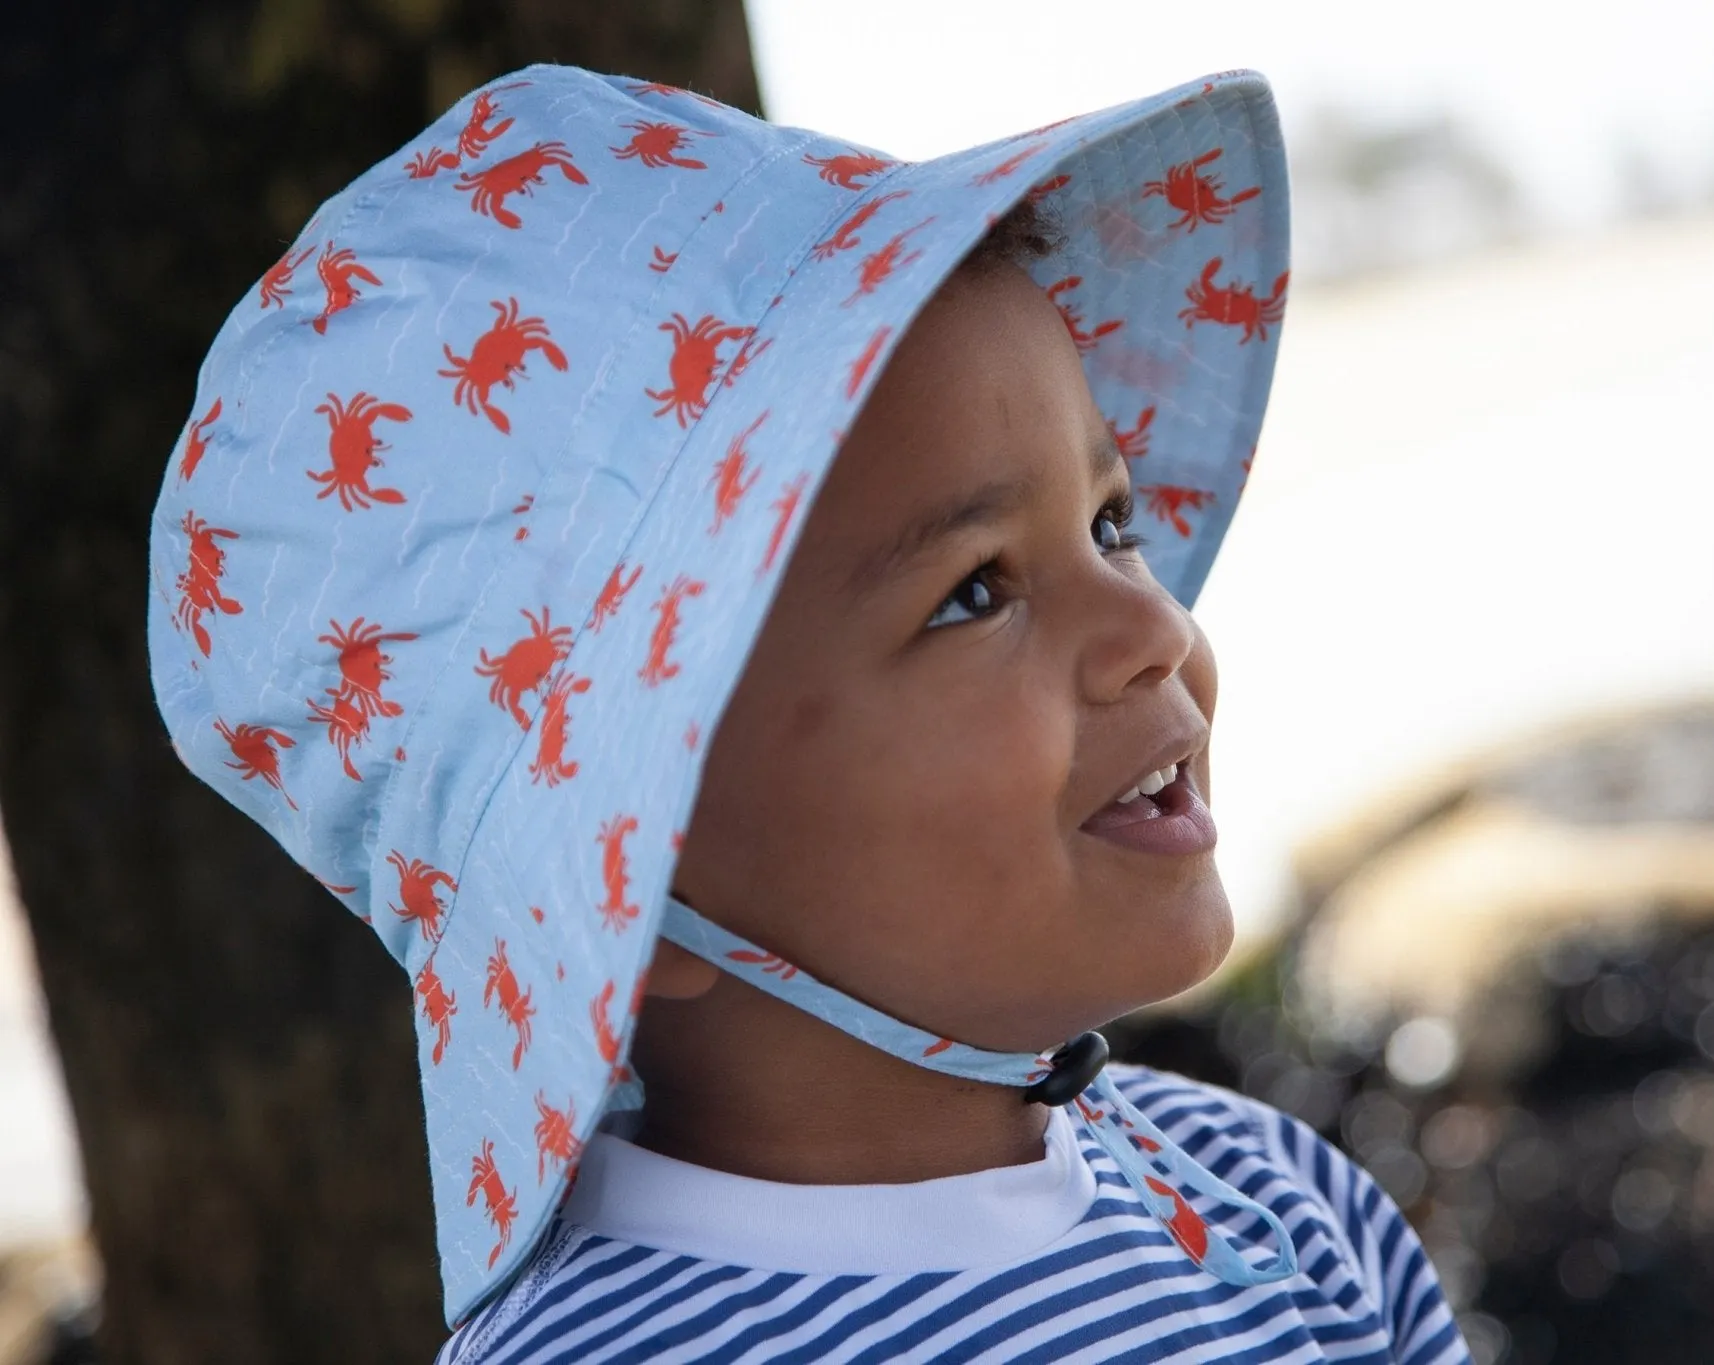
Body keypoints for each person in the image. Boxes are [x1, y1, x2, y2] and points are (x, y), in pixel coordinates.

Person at [147, 62, 1470, 1363]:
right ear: (632, 882)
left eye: (1110, 525)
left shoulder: (1281, 1205)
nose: (1154, 629)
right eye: (973, 593)